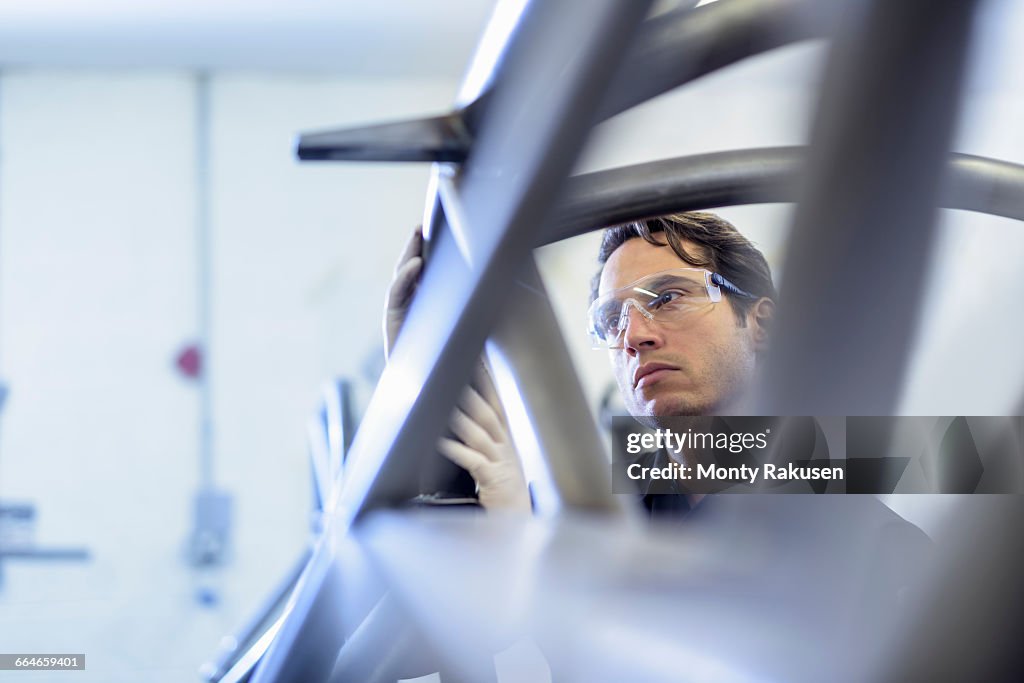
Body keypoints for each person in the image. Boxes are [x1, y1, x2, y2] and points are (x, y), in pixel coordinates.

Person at [384, 211, 778, 513]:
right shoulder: (613, 504)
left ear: (761, 324)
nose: (635, 336)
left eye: (668, 298)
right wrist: (416, 371)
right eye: (611, 321)